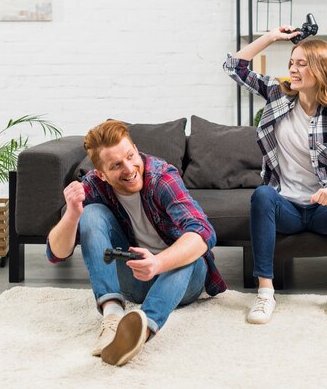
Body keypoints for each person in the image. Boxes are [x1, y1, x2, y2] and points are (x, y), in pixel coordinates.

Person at [224, 27, 327, 324]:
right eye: (291, 63)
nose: (292, 69)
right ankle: (265, 293)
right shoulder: (278, 94)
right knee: (262, 194)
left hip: (323, 209)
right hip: (286, 208)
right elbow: (234, 66)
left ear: (320, 69)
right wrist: (271, 38)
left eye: (301, 64)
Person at [47, 120, 226, 366]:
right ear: (101, 174)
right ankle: (112, 317)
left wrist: (159, 263)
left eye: (131, 155)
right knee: (90, 213)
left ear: (135, 147)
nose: (130, 168)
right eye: (116, 165)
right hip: (134, 279)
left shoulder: (161, 177)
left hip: (180, 280)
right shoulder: (93, 186)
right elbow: (56, 253)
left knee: (191, 255)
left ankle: (139, 331)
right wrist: (71, 214)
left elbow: (204, 232)